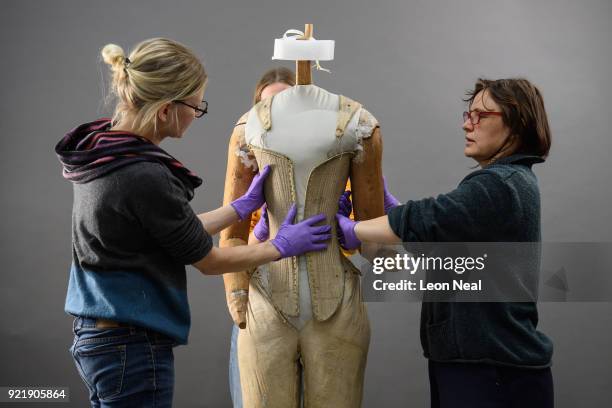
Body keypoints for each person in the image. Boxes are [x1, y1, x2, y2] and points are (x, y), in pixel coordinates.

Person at [55, 38, 331, 408]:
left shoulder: (105, 152)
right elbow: (208, 261)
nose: (197, 113)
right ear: (167, 110)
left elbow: (172, 231)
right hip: (130, 344)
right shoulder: (142, 174)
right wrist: (280, 246)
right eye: (195, 105)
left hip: (100, 334)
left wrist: (239, 208)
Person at [336, 78, 554, 408]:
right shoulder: (507, 182)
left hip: (492, 372)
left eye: (481, 115)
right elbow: (445, 245)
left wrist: (353, 229)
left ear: (517, 122)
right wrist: (393, 214)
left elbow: (431, 217)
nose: (468, 123)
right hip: (478, 367)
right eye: (468, 114)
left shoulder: (501, 184)